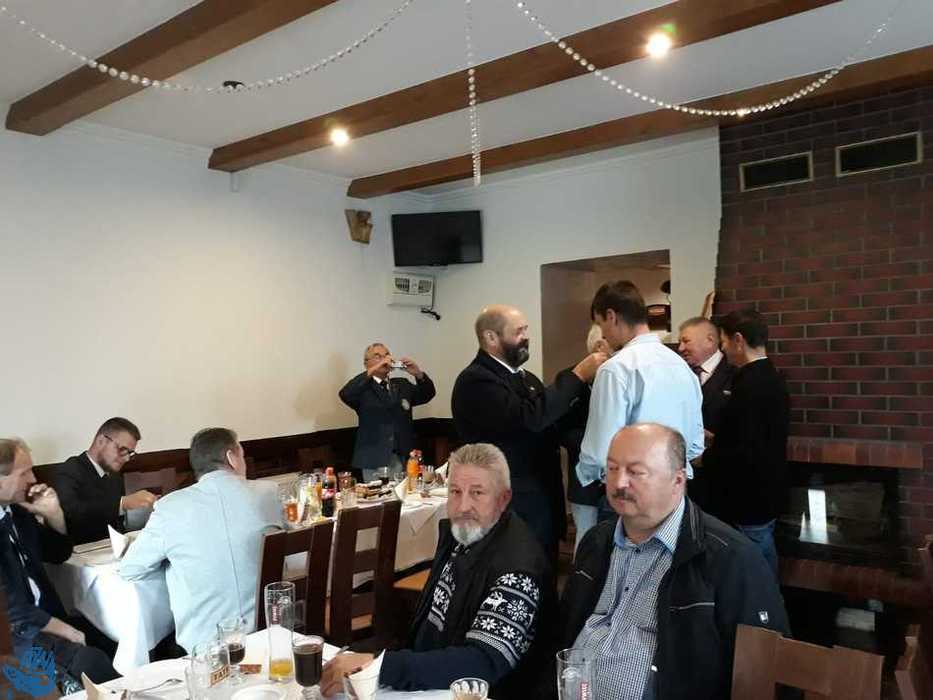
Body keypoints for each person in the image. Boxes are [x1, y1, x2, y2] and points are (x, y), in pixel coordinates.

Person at [556, 424, 789, 700]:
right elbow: (563, 633)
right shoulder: (596, 542)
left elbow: (765, 675)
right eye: (612, 468)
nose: (618, 483)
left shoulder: (730, 558)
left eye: (635, 472)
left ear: (678, 481)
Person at [321, 443, 553, 700]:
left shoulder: (517, 570)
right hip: (429, 685)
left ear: (503, 499)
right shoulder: (461, 537)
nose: (463, 506)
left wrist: (380, 666)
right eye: (455, 491)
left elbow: (481, 663)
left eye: (477, 493)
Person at [451, 305, 606, 557]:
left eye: (526, 330)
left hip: (542, 500)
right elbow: (529, 418)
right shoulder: (477, 381)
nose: (526, 338)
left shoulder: (527, 379)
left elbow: (552, 423)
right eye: (518, 332)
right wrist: (577, 375)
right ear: (491, 337)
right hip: (511, 504)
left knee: (545, 569)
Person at [120, 428, 283, 652]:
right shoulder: (269, 492)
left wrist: (172, 562)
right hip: (271, 632)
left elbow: (130, 568)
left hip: (205, 646)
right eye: (242, 455)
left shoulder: (170, 507)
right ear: (231, 457)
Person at [0, 438, 118, 687]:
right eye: (24, 473)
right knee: (91, 662)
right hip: (16, 634)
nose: (33, 479)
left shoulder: (17, 513)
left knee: (115, 640)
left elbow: (58, 554)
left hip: (47, 617)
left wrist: (54, 514)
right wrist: (66, 631)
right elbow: (9, 608)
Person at [577, 281, 704, 493]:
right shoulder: (682, 366)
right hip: (675, 488)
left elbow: (599, 452)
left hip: (630, 488)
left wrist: (585, 474)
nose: (603, 334)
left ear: (611, 316)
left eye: (600, 324)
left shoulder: (615, 369)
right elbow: (695, 445)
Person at [702, 309, 790, 577]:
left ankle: (763, 604)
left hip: (749, 496)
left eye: (724, 341)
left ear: (738, 340)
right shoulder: (771, 376)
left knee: (755, 568)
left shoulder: (750, 384)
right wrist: (718, 437)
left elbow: (744, 449)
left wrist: (706, 457)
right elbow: (757, 434)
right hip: (767, 490)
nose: (723, 349)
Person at [339, 343, 435, 482]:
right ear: (366, 364)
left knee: (409, 493)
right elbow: (345, 394)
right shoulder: (363, 389)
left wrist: (418, 374)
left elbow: (427, 394)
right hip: (375, 458)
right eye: (377, 356)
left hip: (405, 456)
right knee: (380, 495)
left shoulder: (402, 384)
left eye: (386, 355)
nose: (384, 359)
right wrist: (373, 369)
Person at [54, 417, 157, 545]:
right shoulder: (69, 470)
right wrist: (122, 504)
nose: (126, 459)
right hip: (80, 550)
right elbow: (71, 513)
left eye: (130, 453)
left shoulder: (114, 475)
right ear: (101, 441)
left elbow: (117, 524)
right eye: (122, 449)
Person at [557, 324, 612, 554]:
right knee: (586, 541)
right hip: (585, 480)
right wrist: (599, 444)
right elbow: (562, 430)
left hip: (620, 479)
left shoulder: (623, 374)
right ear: (599, 346)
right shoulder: (569, 379)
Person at [677, 317, 735, 510]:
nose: (680, 348)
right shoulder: (678, 373)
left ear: (710, 340)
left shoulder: (736, 372)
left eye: (686, 341)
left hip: (723, 480)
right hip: (686, 480)